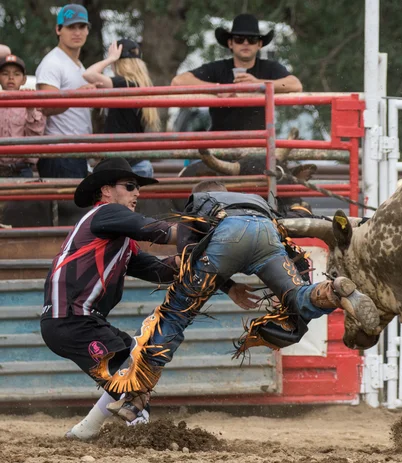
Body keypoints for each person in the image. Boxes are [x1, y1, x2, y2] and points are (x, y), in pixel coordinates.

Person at [97, 180, 380, 423]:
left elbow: (188, 256)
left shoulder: (198, 204)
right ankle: (332, 291)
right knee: (297, 296)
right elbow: (290, 246)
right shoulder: (254, 201)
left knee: (175, 314)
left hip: (226, 235)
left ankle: (136, 398)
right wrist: (239, 287)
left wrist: (215, 282)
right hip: (266, 233)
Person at [39, 157, 180, 440]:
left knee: (136, 361)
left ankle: (85, 431)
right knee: (133, 375)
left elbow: (159, 269)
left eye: (137, 187)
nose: (137, 192)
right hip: (71, 320)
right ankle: (141, 432)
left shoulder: (116, 234)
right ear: (106, 191)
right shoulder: (105, 214)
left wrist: (189, 260)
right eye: (130, 186)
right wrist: (206, 235)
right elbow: (157, 231)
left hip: (75, 320)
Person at [171, 13, 302, 131]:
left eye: (252, 39)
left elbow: (295, 85)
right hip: (220, 145)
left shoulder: (270, 68)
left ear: (259, 44)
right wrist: (217, 89)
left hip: (257, 147)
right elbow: (178, 81)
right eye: (239, 39)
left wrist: (259, 85)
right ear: (230, 43)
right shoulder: (218, 68)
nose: (245, 43)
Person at [35, 4, 96, 178]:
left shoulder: (77, 65)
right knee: (69, 205)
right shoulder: (52, 63)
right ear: (58, 30)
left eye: (81, 26)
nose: (77, 32)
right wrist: (78, 95)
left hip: (74, 152)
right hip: (59, 152)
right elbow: (46, 107)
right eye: (71, 27)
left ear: (87, 30)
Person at [83, 39, 159, 177]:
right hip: (138, 162)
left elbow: (89, 74)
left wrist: (110, 58)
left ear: (119, 62)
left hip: (124, 165)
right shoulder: (139, 85)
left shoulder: (124, 83)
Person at [0, 54, 45, 177]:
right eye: (5, 74)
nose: (10, 78)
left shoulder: (31, 104)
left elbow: (35, 136)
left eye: (16, 74)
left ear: (24, 79)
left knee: (24, 196)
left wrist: (30, 109)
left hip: (22, 169)